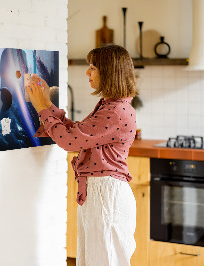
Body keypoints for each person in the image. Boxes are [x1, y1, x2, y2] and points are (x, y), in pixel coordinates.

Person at [26, 44, 138, 266]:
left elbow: (69, 141)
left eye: (93, 67)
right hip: (101, 193)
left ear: (109, 72)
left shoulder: (115, 111)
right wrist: (47, 103)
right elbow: (77, 133)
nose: (87, 72)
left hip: (106, 195)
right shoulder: (111, 106)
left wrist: (41, 108)